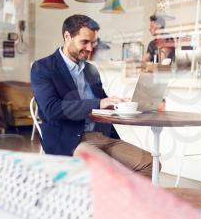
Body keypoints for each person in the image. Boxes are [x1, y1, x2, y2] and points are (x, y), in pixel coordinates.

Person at [31, 14, 154, 178]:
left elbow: (102, 104)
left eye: (92, 43)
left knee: (151, 164)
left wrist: (119, 105)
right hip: (69, 140)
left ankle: (122, 200)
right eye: (84, 42)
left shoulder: (91, 70)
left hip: (100, 136)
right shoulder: (43, 68)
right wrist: (99, 103)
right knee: (113, 172)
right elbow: (52, 109)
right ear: (67, 36)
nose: (90, 48)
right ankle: (112, 197)